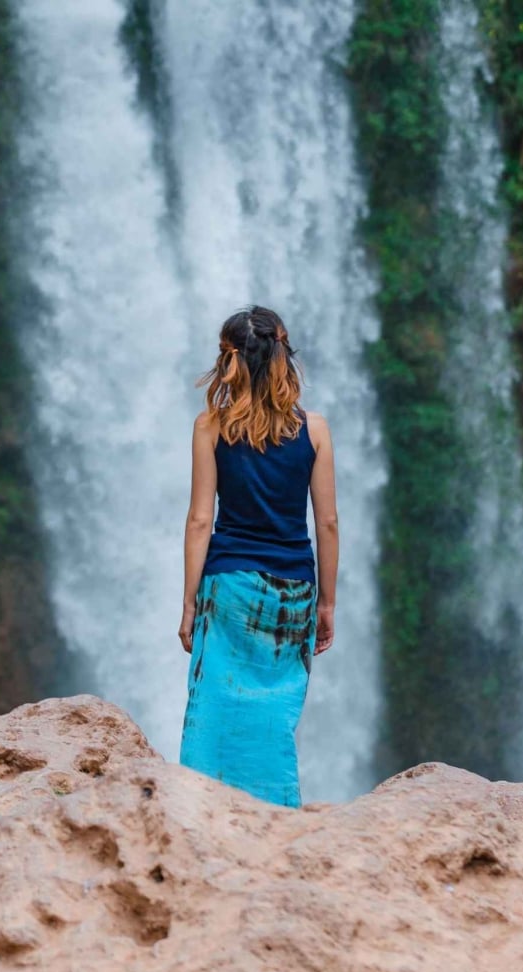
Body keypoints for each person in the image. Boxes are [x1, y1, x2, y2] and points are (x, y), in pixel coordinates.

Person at [176, 304, 337, 807]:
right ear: (282, 358)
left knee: (215, 705)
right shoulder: (314, 430)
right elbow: (327, 523)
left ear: (231, 362)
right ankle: (274, 815)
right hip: (293, 592)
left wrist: (188, 602)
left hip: (228, 586)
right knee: (274, 713)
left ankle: (202, 808)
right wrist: (327, 604)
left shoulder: (211, 427)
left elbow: (201, 520)